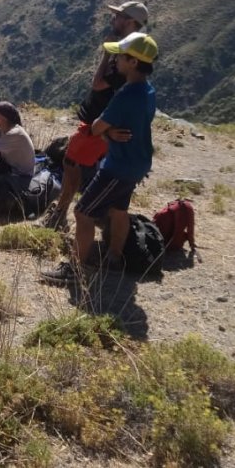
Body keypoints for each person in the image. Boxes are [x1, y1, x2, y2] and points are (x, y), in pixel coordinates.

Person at [43, 33, 158, 283]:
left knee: (83, 212)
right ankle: (114, 257)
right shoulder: (148, 91)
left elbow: (95, 127)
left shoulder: (126, 94)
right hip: (138, 162)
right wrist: (112, 133)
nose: (115, 60)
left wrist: (106, 132)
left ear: (134, 62)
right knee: (119, 210)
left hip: (118, 166)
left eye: (120, 56)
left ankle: (74, 269)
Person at [42, 0, 149, 232]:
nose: (114, 19)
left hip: (97, 126)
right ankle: (100, 225)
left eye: (119, 16)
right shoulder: (131, 52)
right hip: (99, 124)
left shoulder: (126, 55)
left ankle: (60, 217)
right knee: (82, 168)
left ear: (130, 21)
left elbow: (99, 84)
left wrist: (105, 54)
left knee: (72, 165)